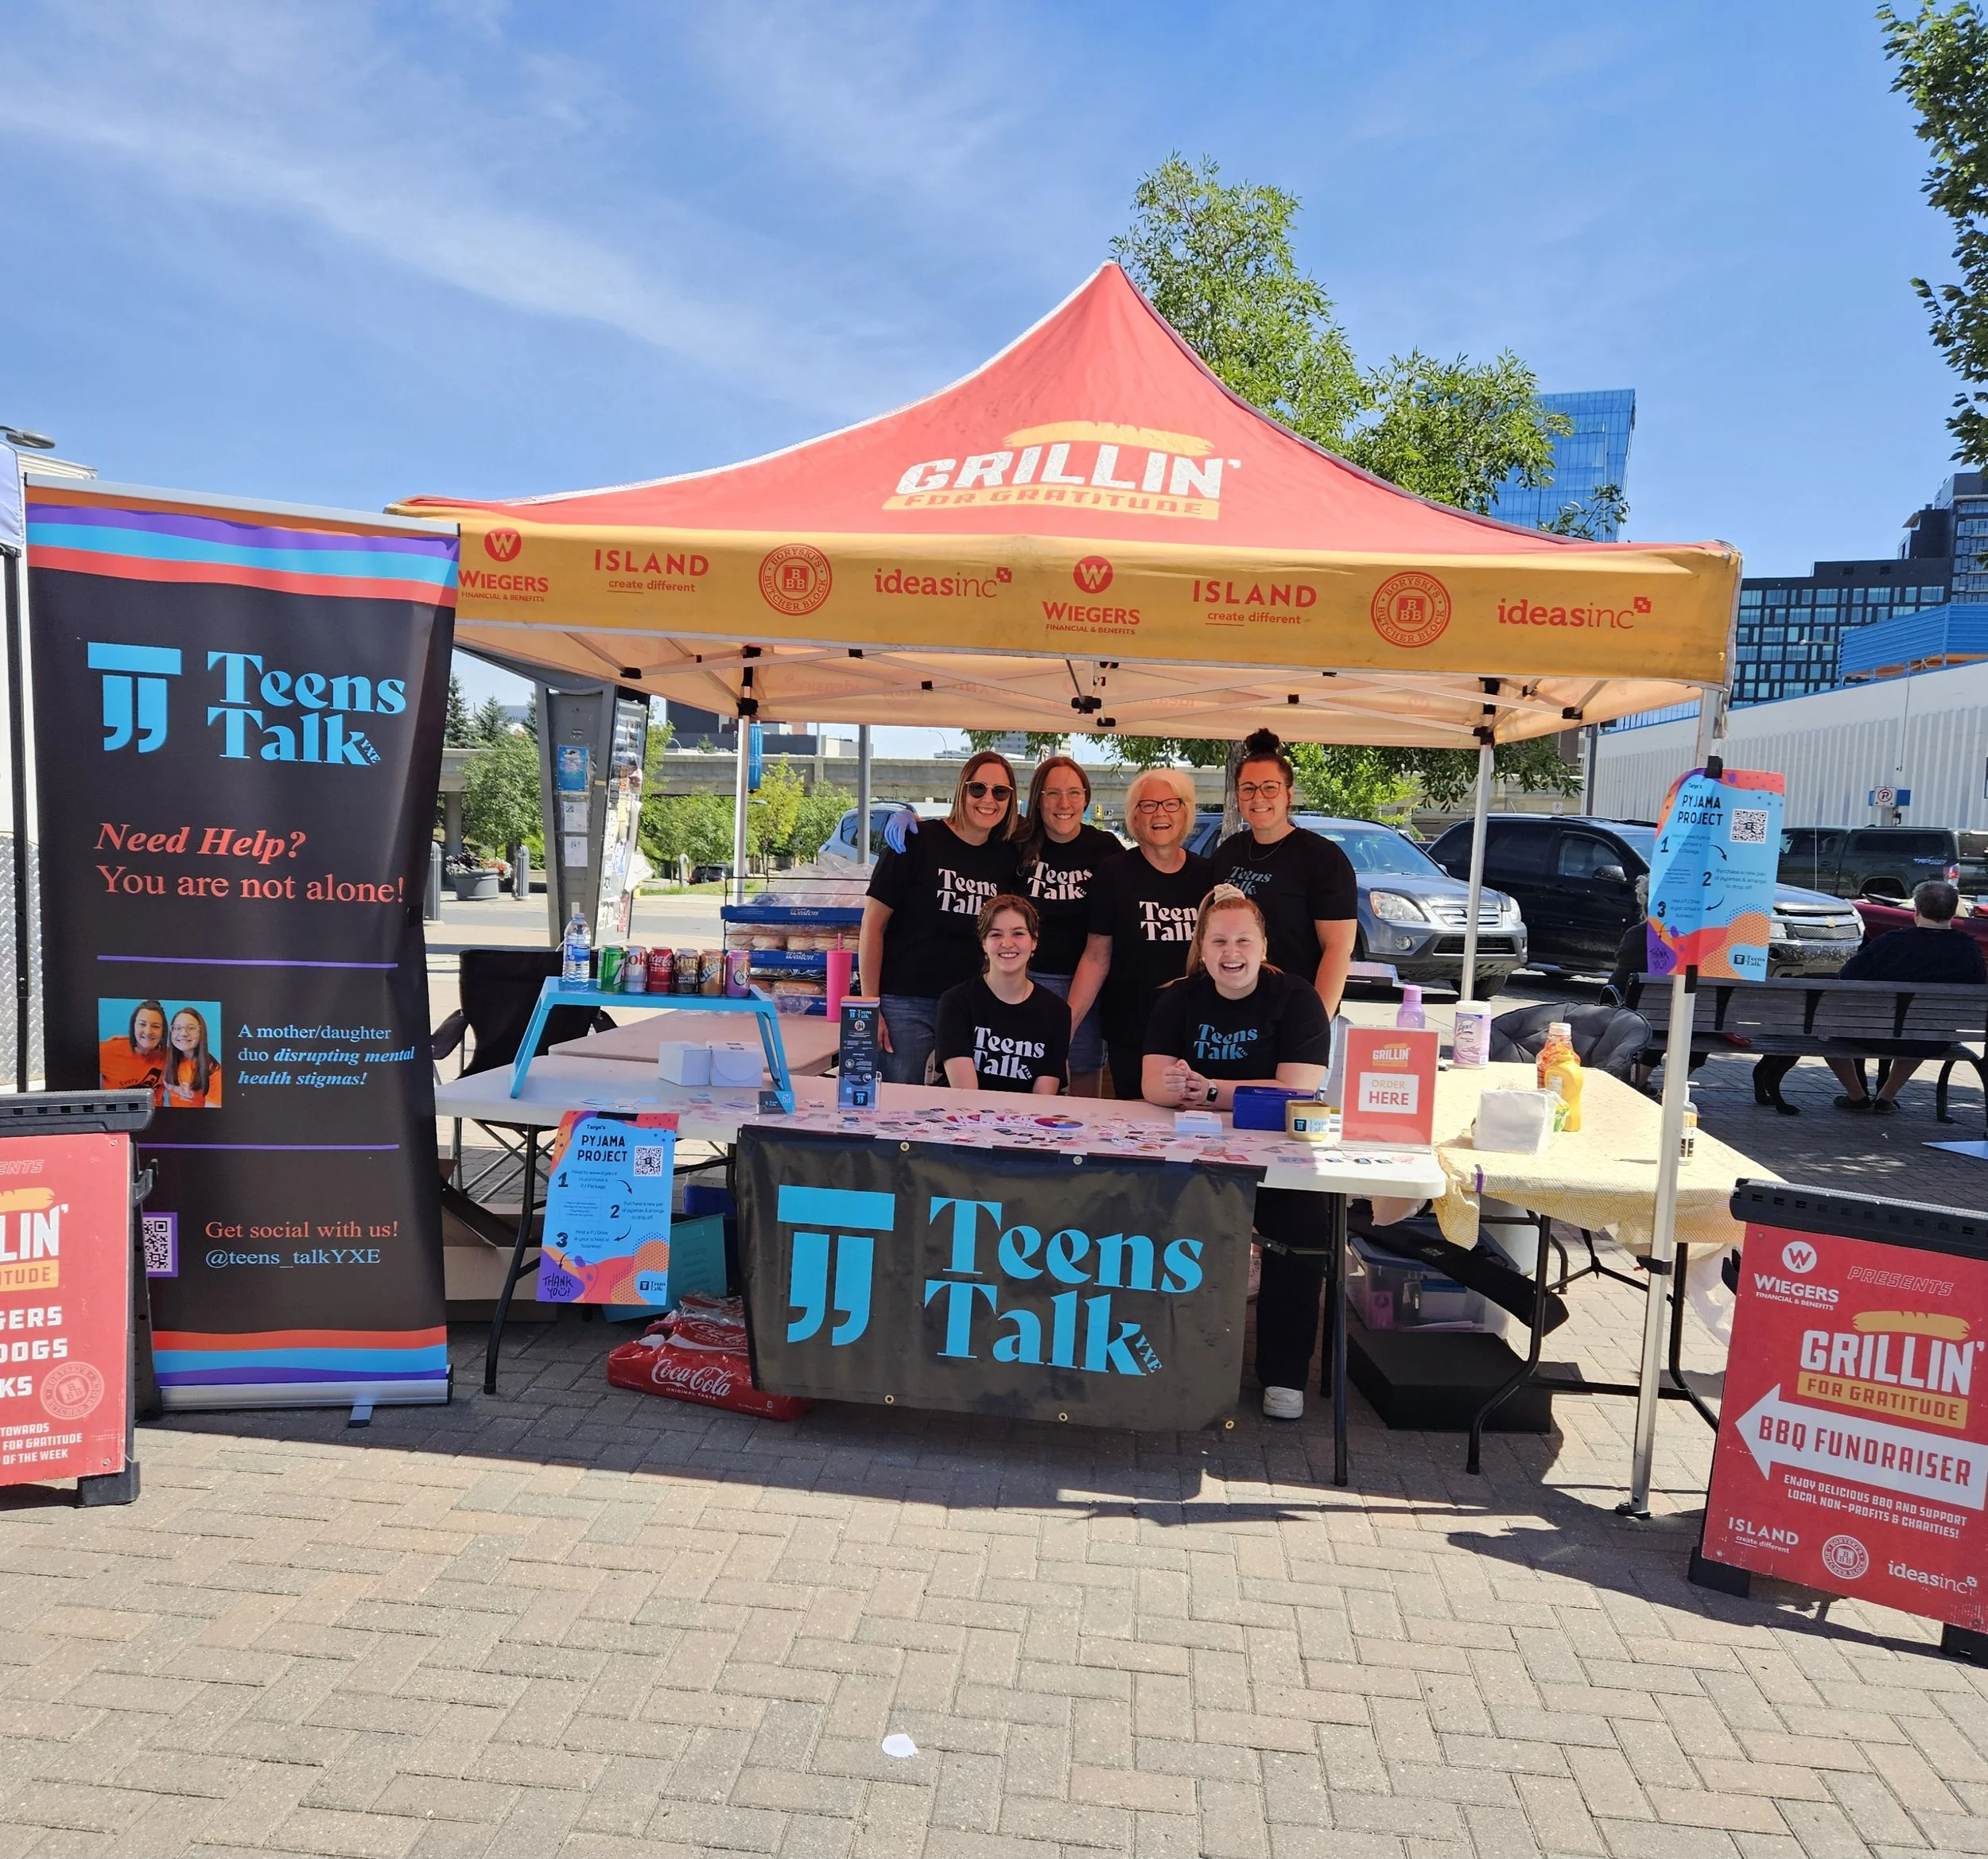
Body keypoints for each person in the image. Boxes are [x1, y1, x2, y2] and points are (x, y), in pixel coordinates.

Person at [1140, 887, 1330, 1420]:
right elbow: (1152, 1083)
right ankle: (1172, 1357)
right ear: (1201, 948)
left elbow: (1297, 1089)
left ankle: (1285, 1374)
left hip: (1279, 1155)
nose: (1231, 952)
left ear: (1263, 945)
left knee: (1303, 1226)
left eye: (1243, 939)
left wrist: (1208, 1090)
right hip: (1197, 1151)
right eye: (1218, 940)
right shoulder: (1177, 998)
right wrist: (1179, 1087)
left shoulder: (1297, 999)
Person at [860, 751, 1021, 1085]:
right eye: (978, 789)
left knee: (962, 1114)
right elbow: (873, 925)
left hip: (971, 1005)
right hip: (905, 1002)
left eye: (1000, 792)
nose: (988, 799)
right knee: (900, 1109)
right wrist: (869, 1005)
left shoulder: (1007, 856)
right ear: (962, 790)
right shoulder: (917, 841)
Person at [1065, 766, 1216, 1098]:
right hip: (1132, 1031)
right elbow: (1096, 956)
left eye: (1170, 804)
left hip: (1198, 1029)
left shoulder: (1208, 876)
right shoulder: (1114, 872)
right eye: (1148, 805)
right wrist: (1065, 1027)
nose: (1159, 813)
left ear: (1186, 811)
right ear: (1135, 817)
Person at [1209, 729, 1358, 1014]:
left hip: (1295, 1011)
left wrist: (1316, 1023)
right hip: (1232, 1010)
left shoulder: (1322, 858)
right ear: (1238, 796)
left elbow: (1338, 949)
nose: (1258, 797)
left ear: (1289, 794)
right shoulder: (1229, 851)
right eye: (1248, 788)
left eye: (1270, 787)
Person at [1825, 879, 1986, 1116]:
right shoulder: (1968, 949)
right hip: (1933, 1039)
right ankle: (1885, 1098)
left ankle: (1857, 1096)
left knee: (1823, 1034)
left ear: (1916, 911)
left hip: (1872, 1034)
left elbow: (1847, 977)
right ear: (1953, 912)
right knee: (1922, 1028)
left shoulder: (1891, 943)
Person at [1013, 757, 1120, 1096]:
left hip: (1084, 985)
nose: (1065, 803)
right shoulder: (1015, 844)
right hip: (1023, 983)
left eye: (1075, 793)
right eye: (1054, 793)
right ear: (1038, 799)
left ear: (1086, 799)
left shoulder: (1106, 850)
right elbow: (966, 833)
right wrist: (912, 819)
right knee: (1021, 1072)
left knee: (1084, 1073)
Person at [934, 895, 1070, 1095]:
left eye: (1018, 933)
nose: (1007, 943)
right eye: (996, 935)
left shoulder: (1057, 1012)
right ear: (984, 944)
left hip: (1026, 1121)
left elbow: (1043, 1100)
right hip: (964, 1119)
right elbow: (966, 1096)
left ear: (1034, 942)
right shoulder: (956, 1002)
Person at [99, 999, 168, 1098]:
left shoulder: (169, 1056)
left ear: (163, 1031)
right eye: (142, 1024)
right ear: (133, 1026)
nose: (148, 1031)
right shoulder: (109, 1050)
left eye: (156, 1026)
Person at [161, 1006, 222, 1108]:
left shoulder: (214, 1071)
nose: (183, 1033)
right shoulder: (167, 1058)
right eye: (177, 1028)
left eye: (191, 1028)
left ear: (201, 1032)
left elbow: (212, 1117)